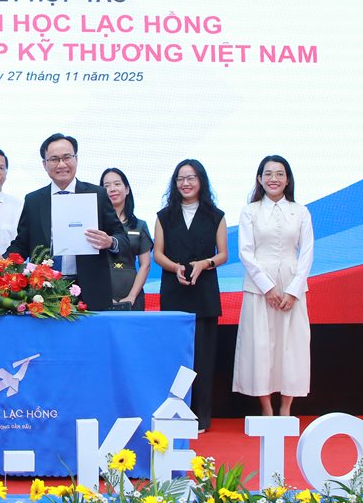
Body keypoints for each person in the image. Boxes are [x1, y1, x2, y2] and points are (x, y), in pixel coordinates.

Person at [6, 133, 127, 311]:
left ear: (76, 159)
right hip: (45, 291)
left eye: (67, 157)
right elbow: (22, 243)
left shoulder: (97, 194)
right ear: (44, 164)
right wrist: (1, 263)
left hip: (91, 289)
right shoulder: (34, 200)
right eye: (54, 159)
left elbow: (122, 238)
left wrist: (110, 241)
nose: (61, 164)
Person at [232, 155, 314, 416]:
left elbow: (306, 254)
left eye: (280, 174)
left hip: (292, 285)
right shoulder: (250, 211)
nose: (273, 179)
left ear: (287, 179)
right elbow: (245, 252)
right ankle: (266, 409)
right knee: (260, 346)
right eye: (268, 174)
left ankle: (286, 408)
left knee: (292, 347)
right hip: (259, 287)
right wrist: (267, 287)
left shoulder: (300, 212)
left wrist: (293, 291)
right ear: (259, 179)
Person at [153, 159, 228, 431]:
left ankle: (200, 417)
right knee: (176, 356)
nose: (185, 183)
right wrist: (175, 268)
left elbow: (223, 254)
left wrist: (205, 263)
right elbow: (157, 254)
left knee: (203, 358)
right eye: (180, 179)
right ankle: (175, 414)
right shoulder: (164, 216)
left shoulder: (216, 215)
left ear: (201, 181)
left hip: (204, 292)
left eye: (191, 178)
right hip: (174, 291)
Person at [100, 167, 153, 310]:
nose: (112, 189)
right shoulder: (95, 226)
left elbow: (145, 265)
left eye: (117, 184)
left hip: (132, 295)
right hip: (101, 294)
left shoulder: (140, 225)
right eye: (106, 186)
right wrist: (103, 295)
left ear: (127, 189)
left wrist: (132, 296)